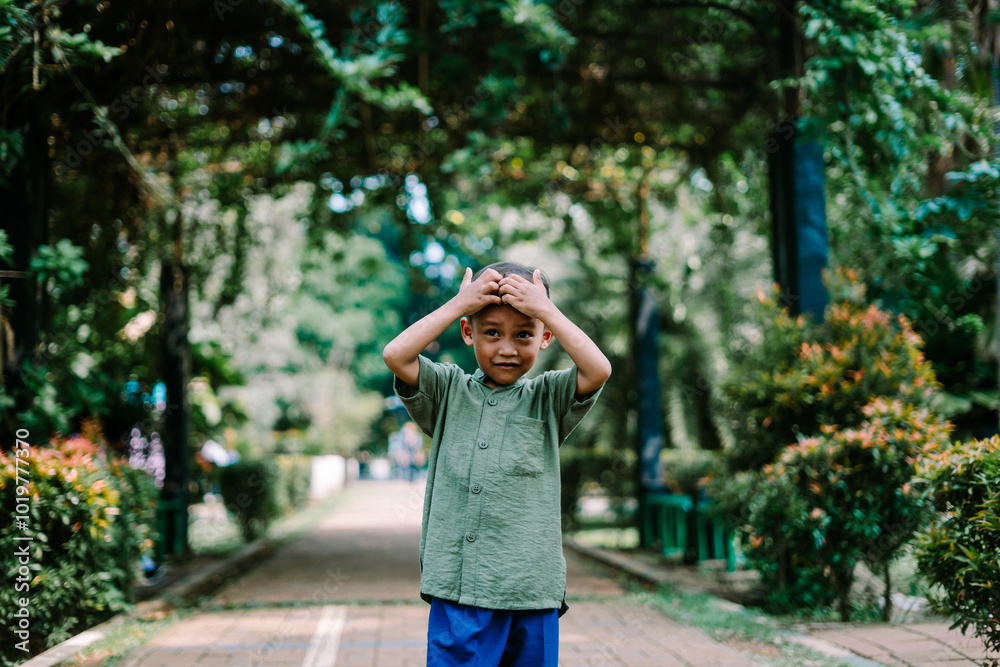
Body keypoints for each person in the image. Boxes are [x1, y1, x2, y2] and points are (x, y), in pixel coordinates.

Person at [382, 261, 612, 666]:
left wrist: (546, 310)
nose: (507, 348)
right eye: (492, 333)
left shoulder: (549, 397)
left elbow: (598, 368)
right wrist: (459, 304)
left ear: (545, 338)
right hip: (459, 589)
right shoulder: (448, 390)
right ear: (468, 333)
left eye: (524, 334)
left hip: (532, 592)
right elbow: (396, 354)